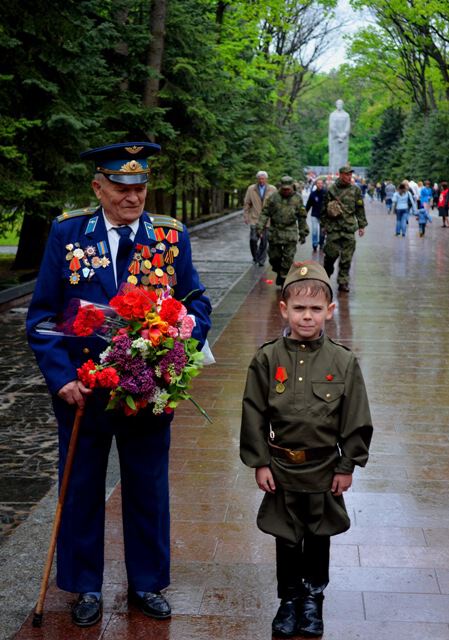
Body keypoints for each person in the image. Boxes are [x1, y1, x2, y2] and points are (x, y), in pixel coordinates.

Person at [26, 142, 212, 627]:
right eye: (122, 188)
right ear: (98, 187)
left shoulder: (169, 238)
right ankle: (84, 586)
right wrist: (62, 378)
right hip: (84, 393)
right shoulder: (68, 234)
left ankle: (147, 583)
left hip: (148, 393)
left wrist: (176, 344)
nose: (133, 198)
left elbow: (197, 303)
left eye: (140, 188)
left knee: (148, 488)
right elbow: (44, 317)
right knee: (83, 488)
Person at [240, 261, 373, 639]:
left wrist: (347, 465)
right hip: (281, 467)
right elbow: (253, 411)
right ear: (284, 309)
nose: (307, 316)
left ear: (329, 312)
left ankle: (313, 599)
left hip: (323, 469)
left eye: (316, 309)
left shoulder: (343, 361)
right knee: (286, 536)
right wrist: (260, 462)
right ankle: (289, 598)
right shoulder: (267, 358)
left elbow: (356, 417)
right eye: (299, 308)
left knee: (318, 534)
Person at [321, 164, 367, 293]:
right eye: (347, 175)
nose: (349, 177)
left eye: (350, 175)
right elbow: (323, 210)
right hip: (333, 229)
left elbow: (360, 209)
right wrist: (324, 225)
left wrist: (361, 225)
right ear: (341, 175)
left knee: (346, 258)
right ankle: (326, 275)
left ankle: (343, 282)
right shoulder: (331, 190)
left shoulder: (355, 190)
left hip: (348, 228)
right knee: (330, 255)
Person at [256, 176, 308, 287]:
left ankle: (284, 276)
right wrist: (260, 227)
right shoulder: (273, 197)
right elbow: (265, 213)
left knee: (288, 257)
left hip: (290, 232)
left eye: (288, 189)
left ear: (292, 187)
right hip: (275, 231)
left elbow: (302, 217)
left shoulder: (297, 198)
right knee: (274, 258)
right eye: (284, 189)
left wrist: (303, 232)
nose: (286, 191)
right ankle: (279, 270)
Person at [243, 170, 277, 266]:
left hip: (267, 220)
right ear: (257, 179)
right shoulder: (251, 189)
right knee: (253, 239)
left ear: (266, 179)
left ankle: (261, 260)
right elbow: (247, 203)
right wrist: (246, 216)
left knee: (264, 241)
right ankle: (255, 256)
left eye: (263, 178)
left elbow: (276, 204)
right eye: (260, 178)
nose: (261, 180)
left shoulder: (272, 189)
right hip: (255, 218)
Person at [328, 99, 350, 175]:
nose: (339, 105)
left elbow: (348, 127)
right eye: (338, 104)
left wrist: (344, 134)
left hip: (344, 140)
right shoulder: (332, 115)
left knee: (343, 158)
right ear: (336, 105)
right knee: (334, 157)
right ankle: (334, 173)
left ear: (343, 105)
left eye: (341, 104)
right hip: (334, 140)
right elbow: (331, 127)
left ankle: (343, 173)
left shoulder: (346, 115)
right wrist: (338, 135)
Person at [305, 178, 326, 252]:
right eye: (318, 183)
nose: (320, 184)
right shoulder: (313, 194)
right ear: (316, 185)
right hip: (314, 215)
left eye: (321, 183)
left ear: (323, 184)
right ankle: (314, 244)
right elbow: (308, 204)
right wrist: (305, 213)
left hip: (323, 216)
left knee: (322, 231)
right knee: (314, 231)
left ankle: (321, 243)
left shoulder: (326, 193)